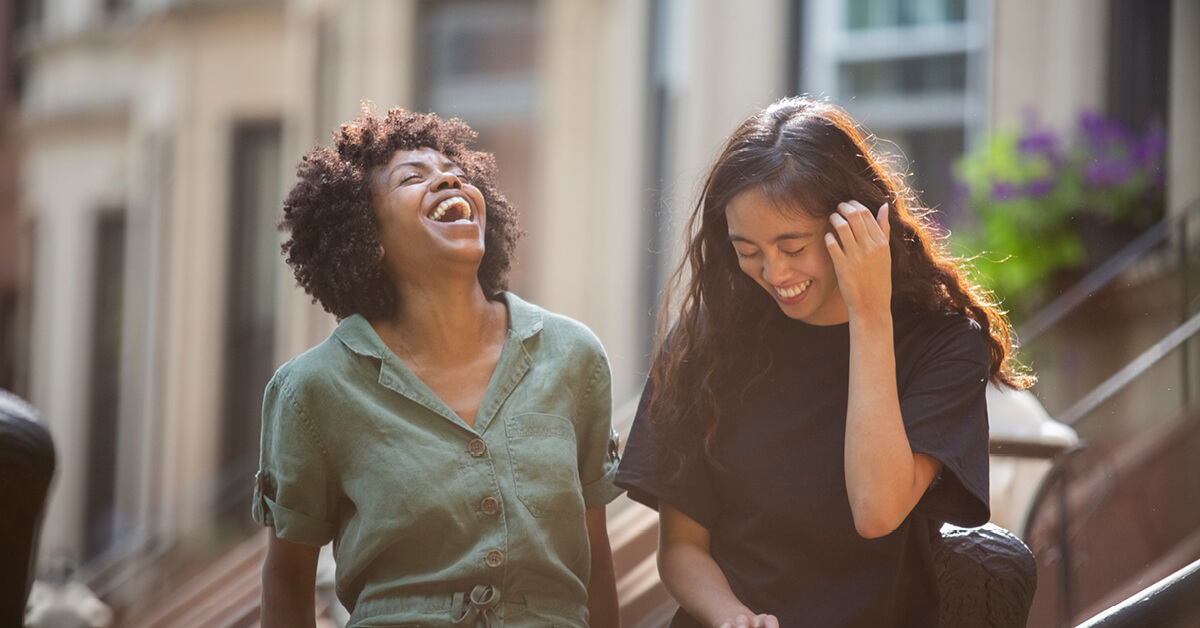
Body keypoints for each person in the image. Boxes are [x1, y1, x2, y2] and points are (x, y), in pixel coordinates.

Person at [615, 97, 1034, 628]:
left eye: (792, 247)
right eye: (748, 251)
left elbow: (877, 511)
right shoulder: (707, 341)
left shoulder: (943, 345)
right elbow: (680, 547)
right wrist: (733, 618)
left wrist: (869, 312)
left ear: (852, 225)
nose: (773, 273)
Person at [255, 106, 623, 628]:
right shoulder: (311, 390)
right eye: (412, 178)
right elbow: (287, 581)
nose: (449, 179)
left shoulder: (572, 355)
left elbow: (595, 559)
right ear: (368, 238)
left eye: (455, 172)